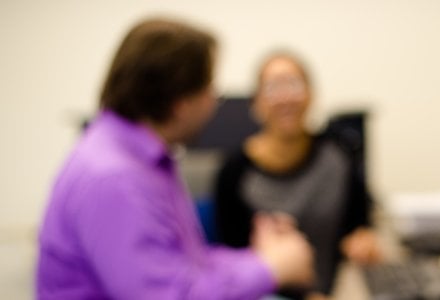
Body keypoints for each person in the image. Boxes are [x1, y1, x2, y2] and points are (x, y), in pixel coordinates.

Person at [36, 17, 314, 299]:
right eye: (208, 88)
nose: (213, 99)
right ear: (180, 104)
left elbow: (189, 264)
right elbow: (169, 293)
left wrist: (263, 260)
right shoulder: (116, 178)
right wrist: (269, 268)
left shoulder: (142, 159)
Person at [214, 51, 382, 299]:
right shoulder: (234, 172)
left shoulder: (338, 156)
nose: (285, 98)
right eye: (272, 88)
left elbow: (361, 220)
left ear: (311, 94)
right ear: (256, 103)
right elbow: (230, 262)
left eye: (294, 84)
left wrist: (363, 239)